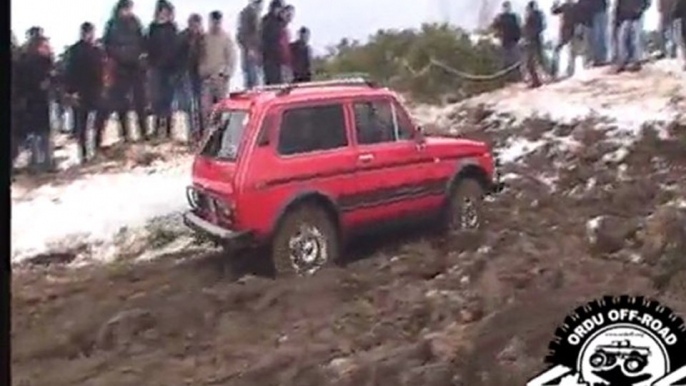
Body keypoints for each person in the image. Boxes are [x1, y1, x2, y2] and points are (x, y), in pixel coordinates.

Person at [103, 0, 150, 142]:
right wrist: (117, 57)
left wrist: (142, 56)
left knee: (139, 100)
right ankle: (124, 133)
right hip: (119, 67)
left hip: (135, 66)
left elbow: (142, 41)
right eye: (126, 8)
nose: (128, 11)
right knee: (121, 102)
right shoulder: (112, 24)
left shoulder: (135, 22)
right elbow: (107, 45)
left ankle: (143, 131)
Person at [65, 22, 106, 164]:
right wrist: (71, 91)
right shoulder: (75, 50)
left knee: (100, 117)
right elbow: (69, 72)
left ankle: (96, 145)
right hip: (81, 90)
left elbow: (102, 70)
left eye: (91, 33)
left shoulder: (96, 50)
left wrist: (103, 85)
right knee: (81, 123)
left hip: (95, 89)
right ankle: (83, 153)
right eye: (88, 33)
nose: (90, 35)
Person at [15, 36, 54, 173]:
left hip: (39, 101)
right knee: (37, 133)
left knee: (42, 133)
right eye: (45, 46)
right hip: (32, 101)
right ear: (38, 47)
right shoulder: (28, 62)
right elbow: (24, 82)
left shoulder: (45, 61)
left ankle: (44, 162)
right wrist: (41, 84)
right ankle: (39, 162)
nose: (48, 48)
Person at [198, 11, 236, 128]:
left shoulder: (226, 38)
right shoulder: (204, 38)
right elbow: (200, 56)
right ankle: (207, 135)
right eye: (213, 21)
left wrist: (226, 74)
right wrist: (202, 71)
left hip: (221, 80)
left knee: (222, 109)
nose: (215, 24)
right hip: (207, 79)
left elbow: (232, 58)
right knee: (206, 110)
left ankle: (222, 134)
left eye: (217, 21)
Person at [147, 0, 179, 139]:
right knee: (156, 99)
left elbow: (175, 49)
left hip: (169, 68)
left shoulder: (172, 28)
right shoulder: (153, 28)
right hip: (155, 67)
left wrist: (174, 68)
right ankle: (156, 127)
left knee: (168, 99)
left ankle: (168, 130)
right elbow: (148, 46)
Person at [176, 13, 205, 143]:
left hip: (198, 73)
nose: (196, 27)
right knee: (189, 105)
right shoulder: (183, 37)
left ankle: (201, 133)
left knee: (200, 104)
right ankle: (191, 133)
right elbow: (177, 55)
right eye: (194, 24)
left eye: (197, 24)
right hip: (186, 73)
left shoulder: (202, 38)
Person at [614, 0, 650, 72]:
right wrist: (617, 17)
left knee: (635, 39)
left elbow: (647, 3)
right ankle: (624, 61)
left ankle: (635, 60)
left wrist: (640, 9)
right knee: (622, 39)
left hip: (636, 16)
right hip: (624, 16)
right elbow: (618, 4)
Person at [491, 1, 522, 82]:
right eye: (505, 7)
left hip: (513, 41)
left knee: (515, 61)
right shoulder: (501, 17)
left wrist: (518, 38)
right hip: (505, 41)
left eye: (507, 7)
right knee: (506, 61)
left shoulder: (513, 17)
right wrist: (497, 34)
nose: (506, 8)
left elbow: (518, 28)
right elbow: (494, 26)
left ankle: (516, 78)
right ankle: (506, 79)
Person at [551, 0, 582, 78]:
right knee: (570, 51)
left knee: (561, 50)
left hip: (567, 30)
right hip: (571, 30)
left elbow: (554, 11)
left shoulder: (566, 6)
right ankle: (569, 71)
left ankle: (556, 71)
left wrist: (555, 3)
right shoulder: (574, 6)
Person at [237, 0, 263, 89]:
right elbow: (242, 35)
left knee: (255, 81)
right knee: (252, 82)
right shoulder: (248, 13)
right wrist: (250, 49)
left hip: (254, 52)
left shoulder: (255, 13)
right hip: (250, 52)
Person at [523, 1, 547, 88]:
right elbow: (543, 26)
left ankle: (536, 81)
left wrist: (528, 38)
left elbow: (527, 29)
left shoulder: (531, 16)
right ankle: (540, 79)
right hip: (538, 39)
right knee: (539, 60)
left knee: (530, 63)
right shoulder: (539, 15)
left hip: (531, 40)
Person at [261, 0, 285, 85]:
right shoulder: (267, 21)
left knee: (278, 80)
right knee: (271, 80)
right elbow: (265, 38)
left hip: (277, 56)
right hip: (269, 55)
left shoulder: (279, 21)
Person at [278, 5, 295, 83]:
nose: (289, 17)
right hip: (281, 63)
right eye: (288, 15)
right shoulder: (278, 28)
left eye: (291, 15)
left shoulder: (287, 29)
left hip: (288, 63)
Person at [588, 0, 609, 65]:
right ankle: (598, 57)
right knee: (596, 36)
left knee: (599, 36)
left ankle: (600, 57)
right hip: (594, 11)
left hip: (597, 10)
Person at [674, 0, 686, 68]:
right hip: (681, 19)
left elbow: (675, 13)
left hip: (681, 20)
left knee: (681, 43)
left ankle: (684, 62)